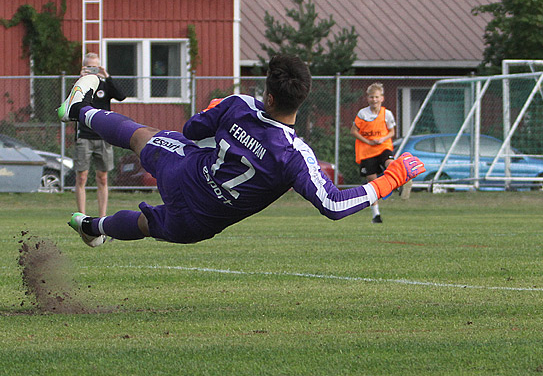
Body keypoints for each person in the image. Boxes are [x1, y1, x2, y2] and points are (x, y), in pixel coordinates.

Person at [57, 53, 425, 247]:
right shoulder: (294, 154)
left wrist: (215, 111)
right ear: (303, 100)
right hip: (203, 220)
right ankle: (93, 226)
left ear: (269, 94)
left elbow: (191, 129)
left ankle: (79, 110)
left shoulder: (240, 104)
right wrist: (394, 177)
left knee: (142, 136)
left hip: (185, 172)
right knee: (147, 224)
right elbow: (333, 205)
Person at [72, 52, 126, 218]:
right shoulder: (81, 86)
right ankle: (82, 216)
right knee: (82, 177)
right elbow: (71, 103)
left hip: (102, 136)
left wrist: (107, 76)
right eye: (89, 67)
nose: (92, 70)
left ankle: (102, 217)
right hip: (84, 136)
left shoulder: (104, 85)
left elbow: (121, 96)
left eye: (95, 66)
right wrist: (80, 79)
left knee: (102, 178)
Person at [350, 82, 402, 223]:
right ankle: (376, 215)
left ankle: (400, 182)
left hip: (382, 146)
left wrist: (382, 138)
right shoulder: (363, 114)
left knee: (390, 163)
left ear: (382, 98)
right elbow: (354, 131)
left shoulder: (387, 114)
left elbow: (392, 131)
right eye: (372, 97)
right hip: (367, 151)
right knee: (372, 184)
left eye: (377, 97)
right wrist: (368, 141)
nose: (374, 100)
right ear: (368, 98)